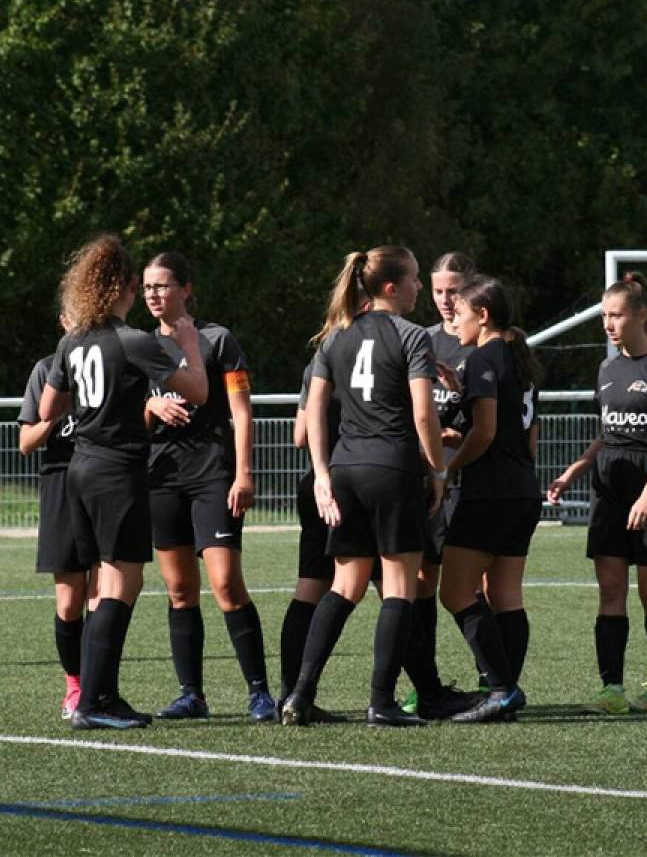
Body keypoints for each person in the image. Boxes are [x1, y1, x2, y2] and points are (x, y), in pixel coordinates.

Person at [39, 233, 208, 730]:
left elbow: (50, 410)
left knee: (104, 582)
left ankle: (99, 694)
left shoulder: (71, 341)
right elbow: (196, 389)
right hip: (118, 468)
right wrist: (190, 347)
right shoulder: (135, 342)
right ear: (126, 286)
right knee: (122, 581)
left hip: (80, 469)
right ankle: (95, 701)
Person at [280, 245, 447, 727]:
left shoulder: (336, 336)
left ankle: (300, 693)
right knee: (399, 587)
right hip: (393, 468)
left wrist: (323, 476)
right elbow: (422, 413)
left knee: (344, 585)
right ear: (391, 287)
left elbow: (313, 411)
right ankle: (381, 701)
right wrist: (436, 471)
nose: (419, 286)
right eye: (415, 278)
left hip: (346, 469)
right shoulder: (412, 335)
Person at [547, 271, 647, 715]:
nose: (608, 324)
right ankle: (611, 688)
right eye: (604, 316)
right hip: (608, 489)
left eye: (615, 315)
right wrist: (577, 467)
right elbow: (607, 432)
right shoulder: (607, 368)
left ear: (642, 315)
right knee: (610, 591)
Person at [142, 251, 276, 723]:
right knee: (179, 589)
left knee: (226, 585)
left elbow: (242, 412)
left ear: (186, 289)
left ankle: (260, 692)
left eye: (162, 286)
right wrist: (150, 409)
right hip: (162, 478)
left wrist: (243, 474)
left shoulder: (218, 340)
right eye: (147, 288)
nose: (154, 295)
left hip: (212, 477)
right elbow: (123, 418)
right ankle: (191, 694)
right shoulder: (139, 346)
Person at [438, 275, 542, 722]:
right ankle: (506, 691)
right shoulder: (518, 358)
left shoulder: (482, 356)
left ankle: (500, 688)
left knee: (455, 591)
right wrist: (462, 391)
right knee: (505, 594)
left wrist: (449, 468)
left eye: (459, 313)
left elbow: (483, 431)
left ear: (482, 316)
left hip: (491, 494)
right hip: (522, 489)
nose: (453, 320)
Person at [400, 251, 482, 719]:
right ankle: (424, 683)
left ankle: (492, 677)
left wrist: (462, 435)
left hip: (471, 480)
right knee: (423, 579)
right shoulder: (422, 341)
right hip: (430, 481)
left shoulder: (487, 343)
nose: (446, 301)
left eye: (454, 291)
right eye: (437, 291)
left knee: (481, 583)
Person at [18, 312, 98, 720]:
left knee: (104, 597)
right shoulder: (46, 369)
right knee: (69, 602)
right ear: (64, 320)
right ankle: (75, 686)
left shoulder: (113, 360)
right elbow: (26, 443)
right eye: (73, 317)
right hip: (61, 486)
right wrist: (54, 413)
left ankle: (102, 688)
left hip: (106, 481)